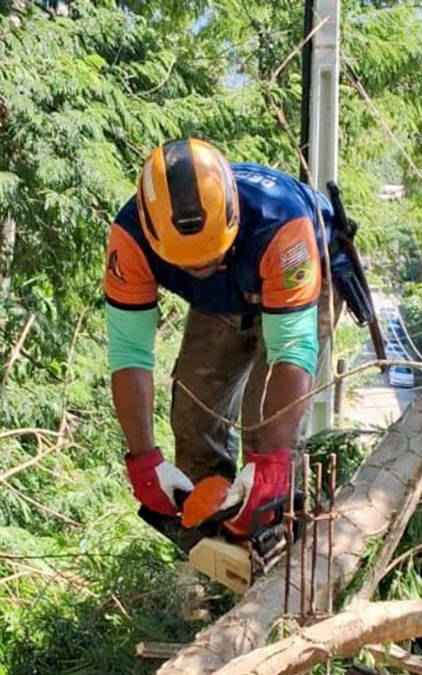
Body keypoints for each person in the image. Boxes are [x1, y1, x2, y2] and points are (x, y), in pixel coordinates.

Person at [104, 138, 362, 539]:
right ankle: (209, 542)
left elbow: (291, 352)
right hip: (222, 296)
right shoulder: (131, 239)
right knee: (193, 412)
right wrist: (143, 459)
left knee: (264, 427)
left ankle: (270, 540)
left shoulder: (281, 224)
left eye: (209, 257)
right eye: (188, 263)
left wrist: (271, 463)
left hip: (303, 274)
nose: (201, 266)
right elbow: (129, 354)